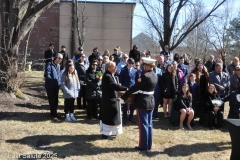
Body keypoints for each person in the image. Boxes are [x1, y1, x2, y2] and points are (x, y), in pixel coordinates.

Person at [121, 57, 158, 151]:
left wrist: (124, 96)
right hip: (151, 101)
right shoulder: (155, 75)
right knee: (149, 124)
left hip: (143, 102)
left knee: (143, 125)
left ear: (147, 66)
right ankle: (148, 144)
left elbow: (134, 88)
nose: (143, 67)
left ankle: (143, 146)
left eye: (144, 65)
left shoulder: (145, 76)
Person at [100, 61, 128, 140]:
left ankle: (110, 133)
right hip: (108, 100)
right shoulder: (107, 76)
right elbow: (113, 86)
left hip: (113, 98)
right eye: (114, 66)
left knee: (112, 117)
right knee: (109, 117)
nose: (116, 68)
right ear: (109, 68)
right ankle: (105, 134)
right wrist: (125, 88)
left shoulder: (112, 75)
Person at [44, 53, 63, 121]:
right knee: (52, 100)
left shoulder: (59, 65)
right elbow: (47, 74)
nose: (60, 60)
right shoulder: (50, 64)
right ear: (56, 58)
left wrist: (59, 83)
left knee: (56, 100)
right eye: (60, 58)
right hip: (50, 86)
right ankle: (54, 115)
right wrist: (52, 81)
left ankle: (54, 113)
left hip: (56, 85)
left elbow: (59, 75)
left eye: (61, 59)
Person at [119, 58, 137, 124]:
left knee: (132, 104)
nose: (130, 64)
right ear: (127, 63)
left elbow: (136, 80)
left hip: (133, 89)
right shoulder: (123, 70)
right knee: (125, 104)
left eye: (132, 63)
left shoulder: (135, 71)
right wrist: (123, 88)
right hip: (125, 89)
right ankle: (124, 117)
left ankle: (131, 117)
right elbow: (121, 80)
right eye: (129, 63)